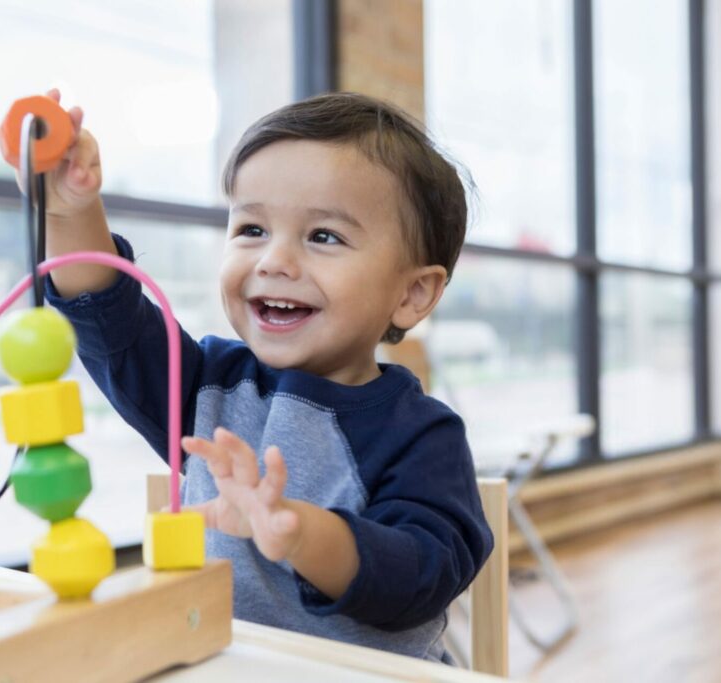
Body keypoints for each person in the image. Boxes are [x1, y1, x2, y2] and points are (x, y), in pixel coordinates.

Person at [37, 90, 493, 664]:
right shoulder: (206, 385)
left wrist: (300, 533)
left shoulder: (422, 435)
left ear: (411, 293)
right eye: (251, 228)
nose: (273, 260)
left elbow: (421, 576)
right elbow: (109, 315)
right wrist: (70, 210)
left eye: (323, 236)